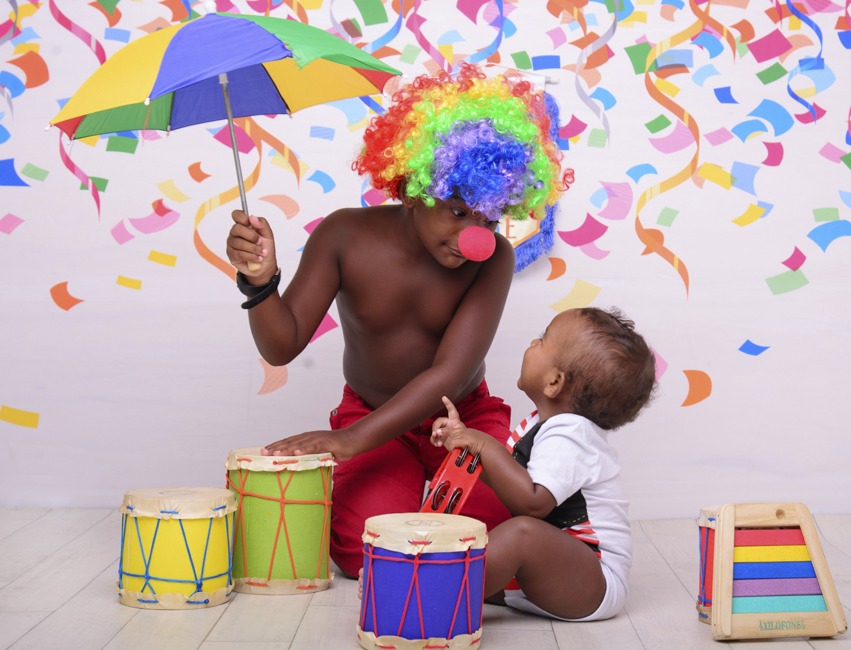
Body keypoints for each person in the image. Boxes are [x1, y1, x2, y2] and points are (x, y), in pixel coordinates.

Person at [224, 64, 573, 576]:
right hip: (374, 415)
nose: (474, 237)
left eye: (488, 218)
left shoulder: (492, 258)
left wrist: (348, 442)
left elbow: (448, 375)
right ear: (413, 188)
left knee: (494, 530)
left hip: (461, 418)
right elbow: (282, 345)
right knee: (359, 548)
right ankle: (414, 510)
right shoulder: (343, 236)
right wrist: (260, 282)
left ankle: (433, 521)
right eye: (458, 211)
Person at [430, 307, 656, 620]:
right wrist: (463, 441)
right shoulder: (543, 425)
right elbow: (511, 481)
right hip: (554, 573)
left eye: (542, 339)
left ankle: (427, 597)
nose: (532, 344)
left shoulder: (571, 435)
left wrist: (482, 444)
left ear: (554, 382)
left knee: (522, 534)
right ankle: (428, 580)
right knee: (472, 547)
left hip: (594, 580)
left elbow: (532, 503)